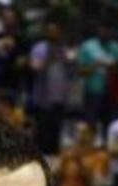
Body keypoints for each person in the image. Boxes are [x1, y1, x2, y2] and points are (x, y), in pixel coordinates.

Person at [28, 20, 75, 155]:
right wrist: (49, 58)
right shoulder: (39, 48)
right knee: (42, 128)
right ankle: (40, 154)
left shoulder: (64, 49)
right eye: (50, 30)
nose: (53, 33)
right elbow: (34, 67)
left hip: (60, 96)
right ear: (46, 32)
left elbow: (72, 70)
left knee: (56, 128)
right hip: (43, 96)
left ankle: (53, 154)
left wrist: (69, 60)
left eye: (56, 31)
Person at [56, 122, 108, 186]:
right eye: (77, 132)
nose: (79, 135)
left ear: (93, 135)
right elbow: (58, 178)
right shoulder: (67, 154)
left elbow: (96, 183)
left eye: (84, 132)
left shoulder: (100, 156)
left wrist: (79, 161)